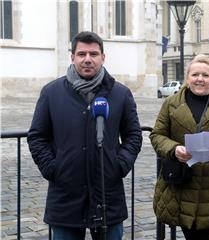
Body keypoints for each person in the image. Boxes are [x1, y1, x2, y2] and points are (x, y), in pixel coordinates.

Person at [27, 31, 142, 240]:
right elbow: (37, 136)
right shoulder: (51, 92)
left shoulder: (120, 94)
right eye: (81, 54)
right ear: (72, 57)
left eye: (93, 54)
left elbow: (133, 135)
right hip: (65, 197)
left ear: (103, 57)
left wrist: (119, 165)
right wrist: (53, 168)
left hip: (108, 196)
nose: (87, 59)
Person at [150, 54, 209, 240]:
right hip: (180, 184)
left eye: (205, 75)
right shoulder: (171, 104)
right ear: (187, 78)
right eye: (195, 74)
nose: (200, 79)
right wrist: (174, 149)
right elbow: (157, 135)